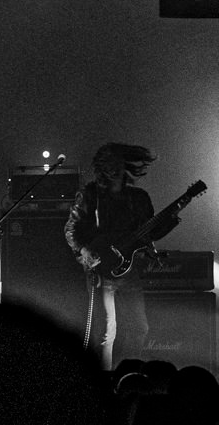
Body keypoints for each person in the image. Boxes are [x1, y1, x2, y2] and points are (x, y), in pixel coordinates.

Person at [63, 141, 174, 369]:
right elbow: (71, 229)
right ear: (102, 168)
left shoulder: (138, 198)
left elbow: (149, 232)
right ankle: (104, 380)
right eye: (108, 165)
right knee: (106, 331)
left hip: (129, 270)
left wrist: (172, 218)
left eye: (117, 164)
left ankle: (129, 374)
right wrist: (85, 251)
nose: (113, 170)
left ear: (125, 166)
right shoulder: (90, 195)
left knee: (139, 328)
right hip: (101, 271)